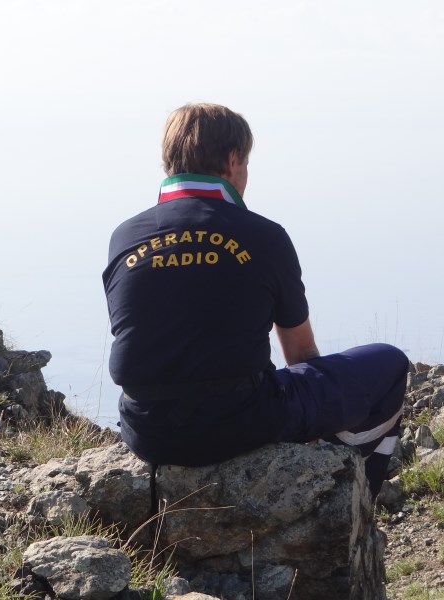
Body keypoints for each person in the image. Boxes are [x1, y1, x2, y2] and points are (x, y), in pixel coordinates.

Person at [102, 102, 407, 498]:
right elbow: (300, 353)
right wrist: (314, 427)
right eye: (246, 163)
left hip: (147, 432)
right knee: (389, 362)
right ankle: (356, 492)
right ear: (232, 161)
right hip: (241, 424)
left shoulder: (124, 236)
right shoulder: (264, 236)